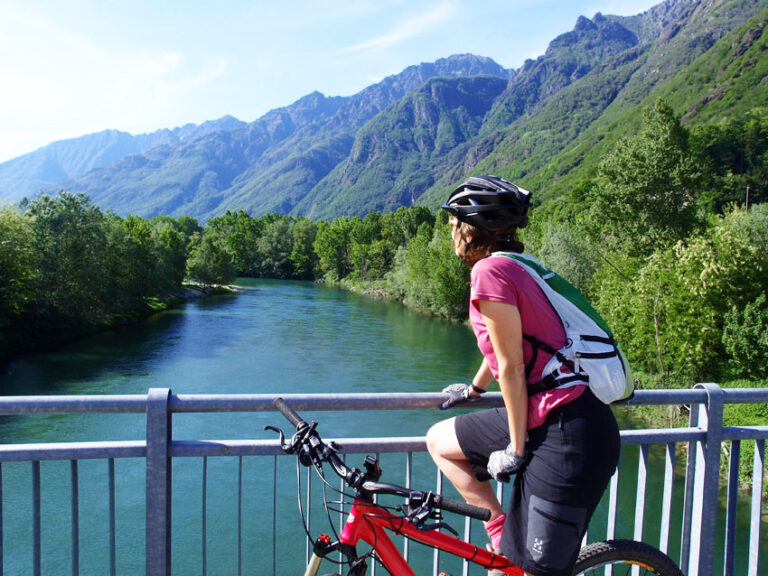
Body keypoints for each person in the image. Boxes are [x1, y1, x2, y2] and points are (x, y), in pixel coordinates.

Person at [426, 175, 621, 576]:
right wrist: (476, 387)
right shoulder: (520, 266)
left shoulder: (489, 273)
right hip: (551, 419)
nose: (450, 234)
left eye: (452, 225)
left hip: (568, 438)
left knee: (526, 574)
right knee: (439, 441)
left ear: (471, 228)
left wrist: (515, 450)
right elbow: (506, 348)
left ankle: (509, 547)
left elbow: (513, 367)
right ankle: (498, 528)